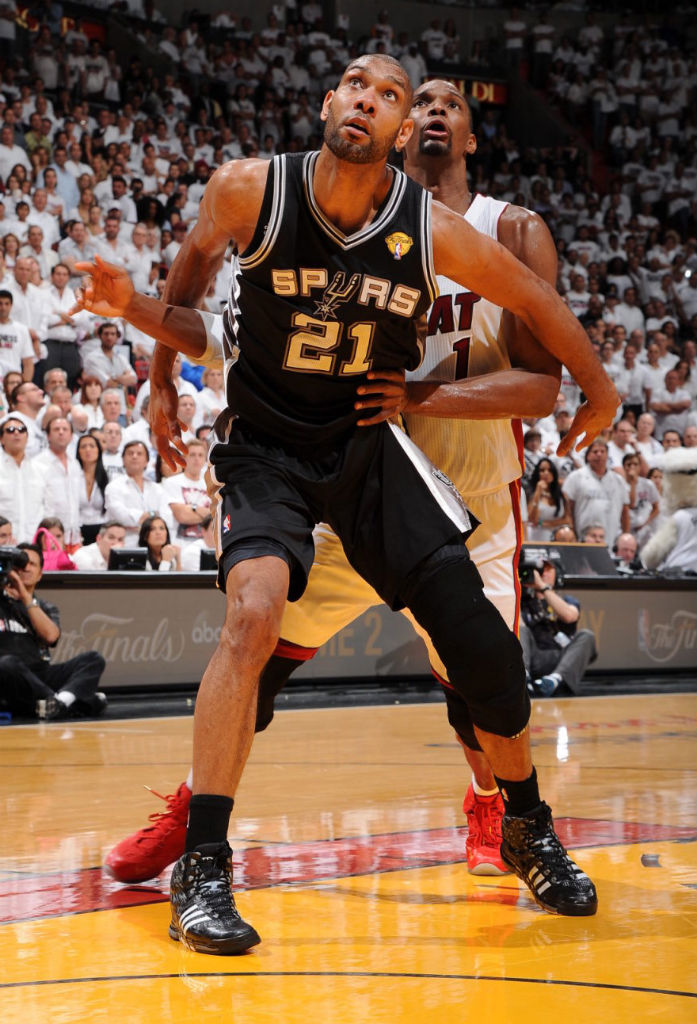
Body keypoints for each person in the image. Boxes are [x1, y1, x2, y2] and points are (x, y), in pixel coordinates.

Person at [76, 57, 615, 951]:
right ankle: (202, 862)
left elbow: (534, 303)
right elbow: (192, 282)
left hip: (376, 456)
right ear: (328, 103)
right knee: (253, 627)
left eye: (391, 95)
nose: (368, 99)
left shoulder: (446, 230)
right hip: (271, 451)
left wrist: (598, 384)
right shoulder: (250, 189)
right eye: (354, 85)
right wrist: (159, 369)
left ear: (403, 132)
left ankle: (522, 822)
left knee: (484, 650)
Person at [0, 542, 107, 720]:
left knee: (93, 659)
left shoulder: (45, 607)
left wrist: (26, 598)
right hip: (11, 676)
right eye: (21, 564)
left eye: (32, 564)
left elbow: (51, 637)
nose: (26, 568)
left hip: (41, 674)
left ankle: (56, 703)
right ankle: (65, 702)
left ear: (40, 574)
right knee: (6, 663)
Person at [519, 559, 596, 696]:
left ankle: (554, 681)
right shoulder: (521, 601)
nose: (542, 573)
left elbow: (569, 616)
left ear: (556, 574)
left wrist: (543, 587)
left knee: (587, 635)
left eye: (547, 569)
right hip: (534, 656)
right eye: (537, 570)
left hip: (563, 657)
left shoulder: (566, 599)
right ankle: (522, 679)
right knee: (520, 630)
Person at [563, 439, 630, 546]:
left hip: (611, 536)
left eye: (602, 451)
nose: (599, 454)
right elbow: (568, 509)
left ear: (608, 456)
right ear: (588, 456)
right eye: (595, 451)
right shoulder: (576, 477)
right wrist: (572, 533)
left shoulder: (618, 480)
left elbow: (625, 512)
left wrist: (626, 535)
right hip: (582, 535)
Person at [104, 439, 171, 545]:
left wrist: (142, 519)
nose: (134, 456)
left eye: (139, 454)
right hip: (125, 543)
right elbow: (122, 516)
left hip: (154, 546)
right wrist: (153, 516)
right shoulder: (114, 487)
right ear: (123, 460)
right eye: (130, 453)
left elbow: (166, 516)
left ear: (147, 461)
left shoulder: (157, 489)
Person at [0, 414, 46, 541]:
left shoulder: (40, 469)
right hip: (4, 544)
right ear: (1, 439)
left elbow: (46, 508)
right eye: (10, 430)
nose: (16, 433)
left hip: (33, 543)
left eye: (21, 430)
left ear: (27, 437)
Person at [75, 433, 109, 543]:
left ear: (99, 450)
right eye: (83, 446)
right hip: (78, 529)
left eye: (92, 446)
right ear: (78, 452)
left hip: (102, 528)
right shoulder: (73, 477)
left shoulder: (108, 477)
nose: (87, 450)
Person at [526, 457, 570, 541]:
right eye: (542, 471)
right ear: (537, 474)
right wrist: (537, 493)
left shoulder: (561, 494)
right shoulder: (531, 493)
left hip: (557, 537)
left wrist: (544, 523)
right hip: (536, 537)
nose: (546, 473)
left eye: (549, 470)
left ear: (554, 473)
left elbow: (568, 520)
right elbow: (532, 519)